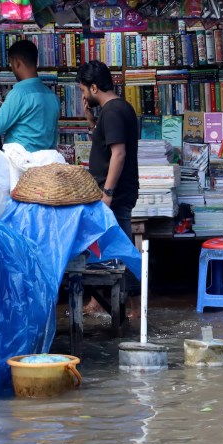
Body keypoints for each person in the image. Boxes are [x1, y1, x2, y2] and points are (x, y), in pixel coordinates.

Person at [77, 60, 140, 315]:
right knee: (109, 249)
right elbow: (107, 146)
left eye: (83, 91)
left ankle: (134, 308)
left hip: (115, 195)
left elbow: (118, 154)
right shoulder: (117, 109)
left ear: (94, 88)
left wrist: (107, 194)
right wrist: (92, 122)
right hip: (116, 193)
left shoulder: (113, 112)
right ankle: (102, 302)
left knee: (121, 249)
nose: (83, 96)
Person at [0, 40, 59, 152]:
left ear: (16, 63)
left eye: (11, 64)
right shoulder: (52, 96)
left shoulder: (19, 94)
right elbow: (53, 140)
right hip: (44, 165)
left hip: (20, 165)